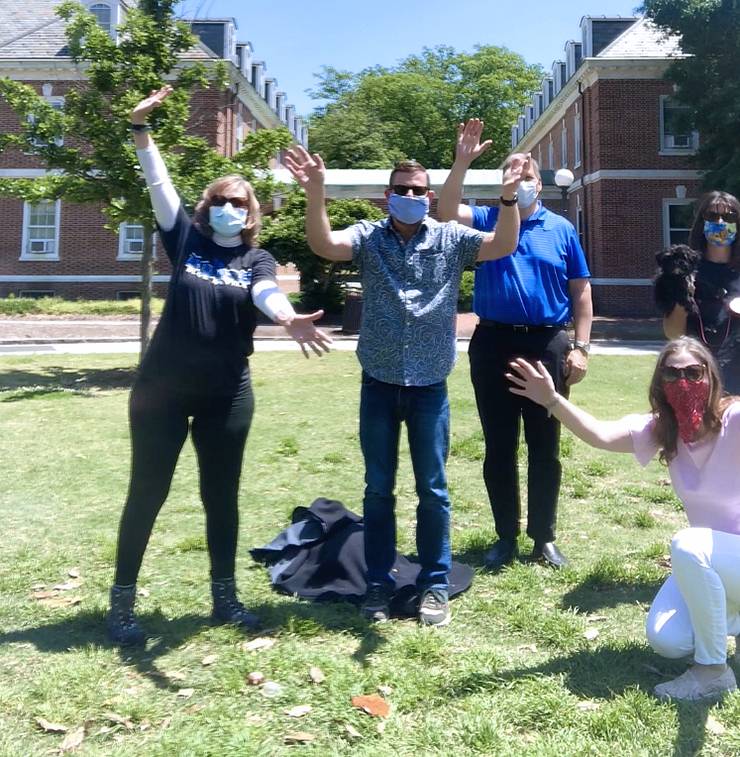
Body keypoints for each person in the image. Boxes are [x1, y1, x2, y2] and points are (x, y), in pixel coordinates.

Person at [106, 86, 331, 645]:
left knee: (221, 495)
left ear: (252, 215)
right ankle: (122, 603)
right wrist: (140, 130)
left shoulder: (257, 257)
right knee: (147, 491)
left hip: (227, 391)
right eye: (222, 201)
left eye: (242, 203)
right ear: (207, 208)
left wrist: (288, 317)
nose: (231, 209)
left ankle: (224, 600)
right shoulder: (185, 240)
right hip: (161, 389)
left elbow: (264, 293)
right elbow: (159, 184)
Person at [284, 145, 526, 626]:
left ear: (430, 196)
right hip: (378, 381)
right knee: (378, 489)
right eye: (402, 190)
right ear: (387, 196)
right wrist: (316, 194)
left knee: (433, 490)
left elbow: (501, 245)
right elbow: (325, 245)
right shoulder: (370, 237)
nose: (410, 197)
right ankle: (377, 583)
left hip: (429, 386)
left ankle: (434, 583)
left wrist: (508, 198)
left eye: (418, 191)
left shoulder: (450, 238)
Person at [507, 336, 740, 701]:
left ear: (711, 376)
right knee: (667, 639)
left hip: (718, 555)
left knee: (688, 544)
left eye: (694, 373)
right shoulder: (662, 429)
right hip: (713, 563)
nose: (683, 383)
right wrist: (552, 399)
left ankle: (712, 670)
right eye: (672, 373)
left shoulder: (734, 419)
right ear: (659, 382)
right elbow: (599, 434)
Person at [438, 118, 593, 571]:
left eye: (527, 175)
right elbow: (446, 211)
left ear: (539, 184)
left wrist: (580, 346)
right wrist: (462, 162)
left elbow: (580, 290)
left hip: (548, 342)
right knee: (499, 444)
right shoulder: (487, 219)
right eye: (512, 173)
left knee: (545, 444)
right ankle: (504, 536)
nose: (519, 181)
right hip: (493, 344)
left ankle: (543, 537)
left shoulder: (561, 229)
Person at [663, 191, 740, 393]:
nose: (721, 222)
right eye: (712, 216)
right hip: (696, 377)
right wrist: (683, 294)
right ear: (701, 224)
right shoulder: (686, 271)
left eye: (730, 217)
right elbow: (673, 334)